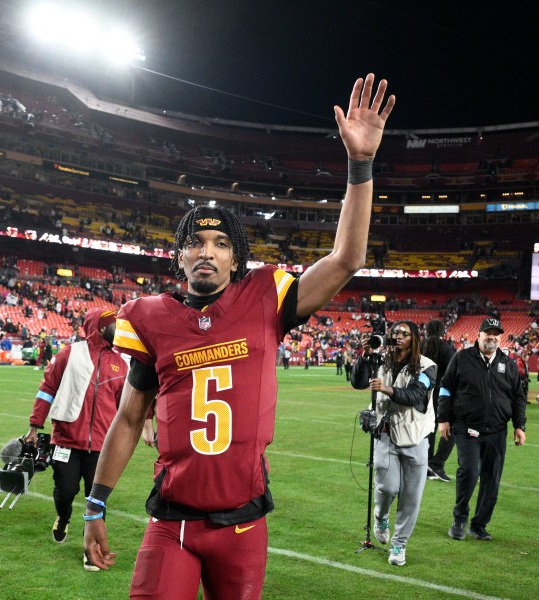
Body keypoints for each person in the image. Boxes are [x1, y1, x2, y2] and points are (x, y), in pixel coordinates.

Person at [83, 74, 395, 599]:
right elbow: (131, 416)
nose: (207, 251)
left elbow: (347, 259)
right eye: (196, 242)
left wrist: (359, 165)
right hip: (172, 522)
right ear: (179, 254)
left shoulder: (265, 296)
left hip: (244, 523)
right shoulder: (150, 316)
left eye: (221, 243)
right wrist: (95, 505)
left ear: (236, 256)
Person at [24, 308, 128, 570]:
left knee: (97, 499)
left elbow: (124, 407)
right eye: (113, 324)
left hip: (103, 445)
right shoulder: (69, 353)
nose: (118, 327)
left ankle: (89, 548)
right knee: (65, 490)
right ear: (100, 327)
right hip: (67, 440)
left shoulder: (120, 363)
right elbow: (47, 389)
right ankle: (63, 516)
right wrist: (35, 425)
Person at [351, 321, 436, 567]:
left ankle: (399, 544)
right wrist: (366, 356)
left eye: (404, 334)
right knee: (387, 488)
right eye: (395, 332)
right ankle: (381, 517)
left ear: (415, 339)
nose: (398, 336)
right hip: (385, 435)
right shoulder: (380, 360)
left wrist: (387, 389)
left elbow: (416, 396)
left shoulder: (427, 366)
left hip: (415, 438)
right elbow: (357, 382)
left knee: (411, 497)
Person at [438, 317, 527, 542]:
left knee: (492, 479)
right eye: (488, 333)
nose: (492, 337)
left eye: (496, 333)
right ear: (478, 335)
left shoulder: (507, 363)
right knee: (469, 471)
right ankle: (459, 519)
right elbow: (446, 388)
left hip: (497, 430)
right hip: (467, 427)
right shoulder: (462, 358)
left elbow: (518, 396)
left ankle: (479, 525)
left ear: (500, 337)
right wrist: (443, 419)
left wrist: (519, 425)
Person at [423, 319, 456, 482]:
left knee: (428, 429)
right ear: (442, 331)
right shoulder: (446, 348)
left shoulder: (421, 346)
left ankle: (425, 464)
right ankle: (437, 464)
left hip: (422, 392)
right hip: (442, 393)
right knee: (450, 428)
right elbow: (453, 373)